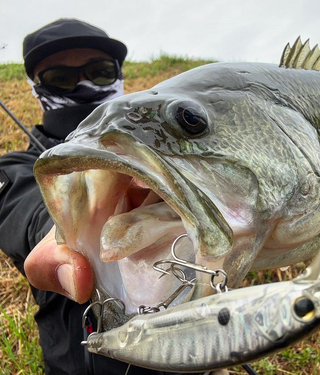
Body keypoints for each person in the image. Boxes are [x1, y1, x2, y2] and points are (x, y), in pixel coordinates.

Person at [0, 18, 220, 375]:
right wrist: (63, 232)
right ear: (35, 88)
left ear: (118, 74)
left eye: (100, 71)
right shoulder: (15, 167)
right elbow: (25, 212)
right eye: (60, 77)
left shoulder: (174, 148)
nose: (84, 83)